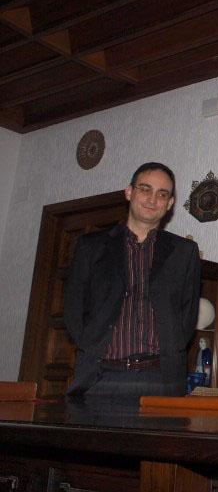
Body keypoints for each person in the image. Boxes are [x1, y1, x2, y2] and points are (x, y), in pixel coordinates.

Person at [64, 162, 200, 398]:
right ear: (129, 192)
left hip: (162, 381)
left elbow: (187, 317)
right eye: (145, 189)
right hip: (100, 378)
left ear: (170, 204)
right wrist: (93, 345)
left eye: (162, 194)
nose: (152, 199)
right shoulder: (90, 247)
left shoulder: (184, 252)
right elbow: (73, 310)